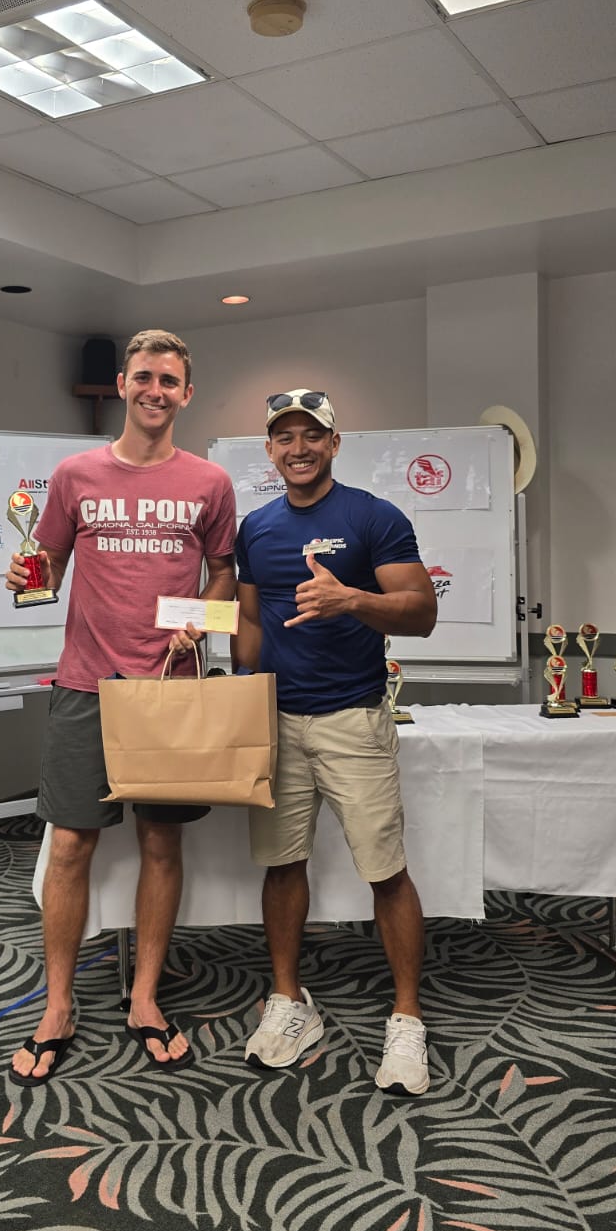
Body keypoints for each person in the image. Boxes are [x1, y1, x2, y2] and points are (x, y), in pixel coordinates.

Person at [6, 329, 236, 1085]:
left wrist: (194, 627)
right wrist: (25, 574)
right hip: (84, 685)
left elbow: (224, 574)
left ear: (186, 393)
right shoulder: (75, 473)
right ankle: (59, 1002)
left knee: (162, 846)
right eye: (144, 377)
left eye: (170, 380)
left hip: (169, 691)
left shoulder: (209, 481)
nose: (156, 391)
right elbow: (49, 565)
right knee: (70, 847)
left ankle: (144, 997)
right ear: (122, 383)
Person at [232, 389, 437, 1094]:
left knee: (385, 870)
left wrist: (351, 598)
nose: (298, 448)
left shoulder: (373, 517)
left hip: (353, 717)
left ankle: (407, 1019)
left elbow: (422, 613)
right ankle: (290, 1002)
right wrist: (240, 691)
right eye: (284, 437)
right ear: (269, 450)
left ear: (334, 442)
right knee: (282, 865)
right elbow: (252, 622)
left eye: (310, 435)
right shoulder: (255, 528)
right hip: (276, 722)